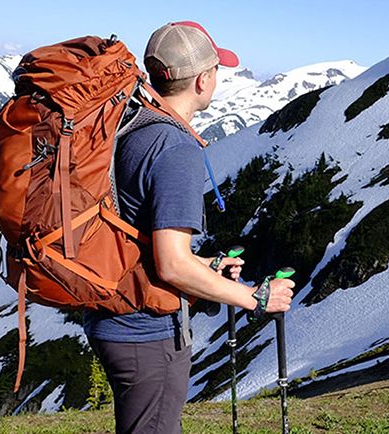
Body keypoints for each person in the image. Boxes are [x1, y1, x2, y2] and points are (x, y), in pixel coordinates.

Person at [83, 21, 295, 434]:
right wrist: (254, 297)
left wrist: (205, 264)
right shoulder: (175, 148)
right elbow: (172, 267)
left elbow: (137, 232)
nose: (217, 78)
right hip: (145, 333)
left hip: (111, 318)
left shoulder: (131, 125)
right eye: (216, 69)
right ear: (202, 79)